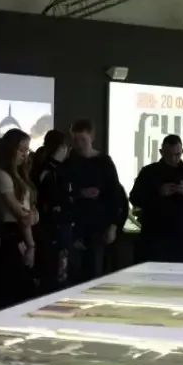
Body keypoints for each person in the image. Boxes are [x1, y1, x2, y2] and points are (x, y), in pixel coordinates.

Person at [64, 119, 127, 282]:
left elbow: (115, 195)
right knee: (74, 273)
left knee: (95, 272)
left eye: (83, 140)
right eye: (76, 140)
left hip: (98, 226)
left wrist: (113, 226)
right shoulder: (70, 161)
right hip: (75, 225)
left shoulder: (104, 162)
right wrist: (79, 194)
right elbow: (61, 191)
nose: (79, 144)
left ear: (92, 137)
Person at [128, 134, 183, 263]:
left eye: (177, 154)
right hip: (154, 235)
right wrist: (158, 193)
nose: (173, 159)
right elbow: (134, 198)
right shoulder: (149, 172)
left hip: (182, 236)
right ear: (161, 152)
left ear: (182, 151)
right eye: (169, 155)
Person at [0, 128, 37, 305]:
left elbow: (31, 211)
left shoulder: (20, 175)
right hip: (11, 235)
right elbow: (20, 212)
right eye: (21, 150)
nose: (25, 155)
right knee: (14, 290)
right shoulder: (1, 175)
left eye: (27, 150)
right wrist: (31, 245)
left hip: (24, 233)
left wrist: (33, 216)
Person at [32, 129, 74, 291]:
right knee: (53, 276)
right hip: (51, 229)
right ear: (62, 147)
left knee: (61, 273)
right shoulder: (47, 171)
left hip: (61, 228)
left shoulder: (59, 169)